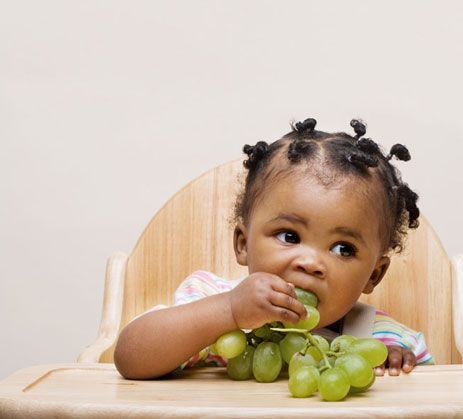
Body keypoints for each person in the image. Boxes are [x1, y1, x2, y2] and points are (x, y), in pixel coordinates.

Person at [114, 118, 434, 380]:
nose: (310, 262)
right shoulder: (209, 299)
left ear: (373, 274)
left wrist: (399, 368)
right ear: (243, 244)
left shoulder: (381, 337)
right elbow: (129, 358)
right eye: (289, 237)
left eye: (342, 248)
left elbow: (434, 400)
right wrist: (227, 311)